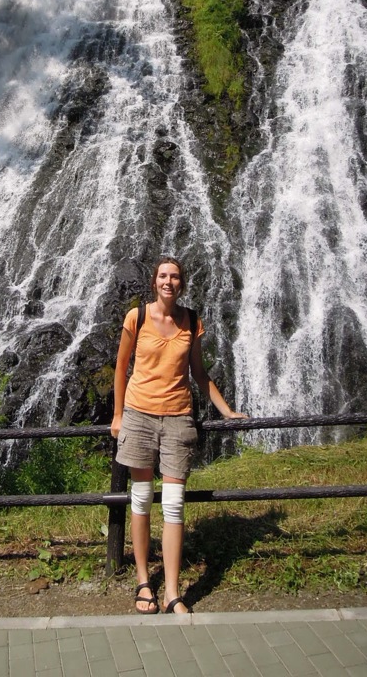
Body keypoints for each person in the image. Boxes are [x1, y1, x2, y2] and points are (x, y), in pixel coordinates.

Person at [110, 256, 248, 615]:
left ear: (182, 283)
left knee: (173, 502)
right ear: (154, 281)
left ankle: (172, 591)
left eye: (174, 276)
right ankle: (144, 582)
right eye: (162, 276)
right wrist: (118, 414)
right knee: (140, 499)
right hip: (139, 416)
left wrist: (227, 411)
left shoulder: (191, 321)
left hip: (177, 419)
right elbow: (122, 366)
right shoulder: (136, 318)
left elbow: (200, 375)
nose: (168, 281)